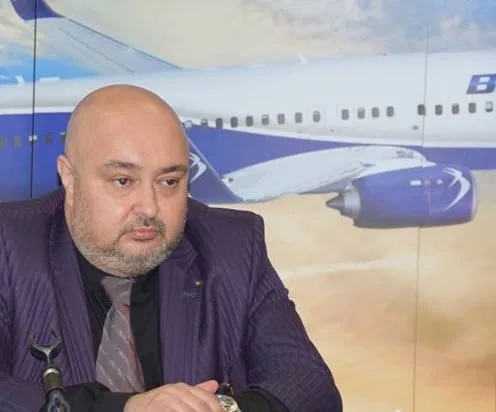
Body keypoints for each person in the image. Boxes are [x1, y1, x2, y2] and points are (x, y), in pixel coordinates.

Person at [0, 84, 342, 412]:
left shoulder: (231, 246)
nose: (149, 207)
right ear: (69, 178)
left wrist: (218, 409)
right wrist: (125, 409)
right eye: (123, 181)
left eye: (169, 182)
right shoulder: (10, 245)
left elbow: (310, 388)